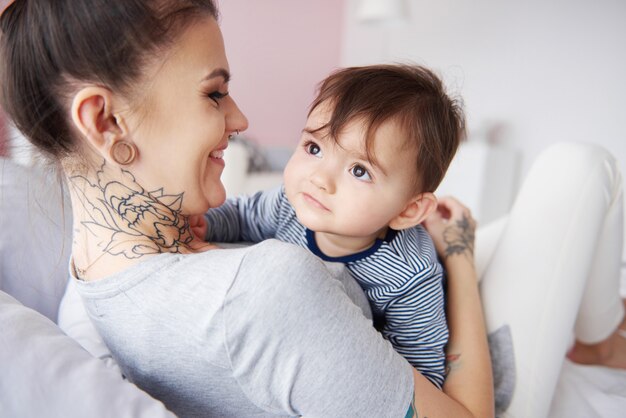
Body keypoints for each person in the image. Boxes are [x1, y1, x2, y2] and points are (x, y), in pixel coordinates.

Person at [1, 1, 624, 417]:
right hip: (471, 382)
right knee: (580, 166)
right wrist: (458, 254)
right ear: (104, 119)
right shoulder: (260, 293)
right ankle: (598, 344)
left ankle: (596, 338)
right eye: (214, 92)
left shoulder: (90, 268)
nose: (241, 120)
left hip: (403, 283)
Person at [200, 64, 461, 389]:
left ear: (408, 211)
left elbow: (423, 373)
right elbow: (239, 216)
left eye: (359, 171)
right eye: (314, 148)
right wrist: (197, 225)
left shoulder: (411, 276)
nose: (320, 179)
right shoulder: (290, 203)